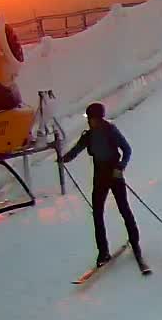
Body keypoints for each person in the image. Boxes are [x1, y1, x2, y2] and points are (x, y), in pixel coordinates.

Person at [59, 102, 141, 270]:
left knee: (123, 208)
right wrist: (64, 158)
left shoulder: (111, 130)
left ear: (99, 118)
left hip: (114, 173)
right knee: (97, 213)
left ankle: (135, 242)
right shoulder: (89, 135)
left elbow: (127, 149)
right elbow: (77, 149)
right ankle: (103, 252)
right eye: (89, 118)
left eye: (91, 118)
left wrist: (121, 166)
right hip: (100, 175)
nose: (89, 121)